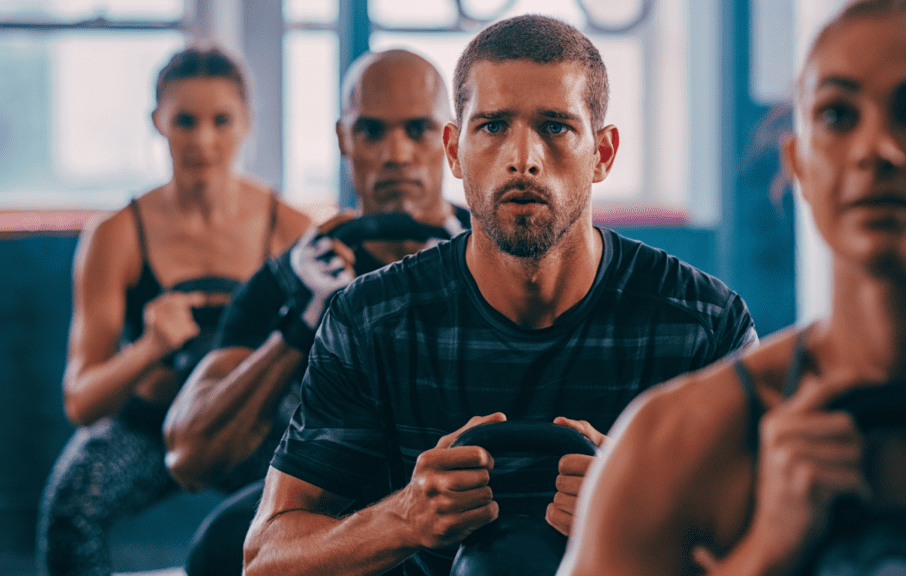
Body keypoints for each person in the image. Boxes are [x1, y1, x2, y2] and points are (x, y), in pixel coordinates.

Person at [242, 14, 759, 576]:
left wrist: (640, 511)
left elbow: (784, 542)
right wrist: (405, 519)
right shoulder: (370, 320)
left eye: (556, 126)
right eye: (491, 126)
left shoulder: (703, 323)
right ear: (455, 151)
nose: (523, 158)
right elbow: (266, 557)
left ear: (603, 154)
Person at [558, 1, 906, 575]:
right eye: (836, 115)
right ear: (800, 162)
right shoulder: (676, 442)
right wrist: (760, 557)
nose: (875, 149)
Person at [160, 48, 471, 576]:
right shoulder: (291, 279)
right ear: (344, 139)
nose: (396, 153)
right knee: (219, 549)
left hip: (469, 493)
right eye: (372, 131)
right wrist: (306, 322)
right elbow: (189, 455)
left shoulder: (501, 254)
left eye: (417, 129)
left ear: (450, 138)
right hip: (343, 504)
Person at [36, 46, 311, 576]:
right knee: (70, 513)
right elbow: (81, 401)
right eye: (185, 121)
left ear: (245, 123)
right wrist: (150, 347)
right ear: (158, 122)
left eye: (220, 121)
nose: (203, 141)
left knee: (327, 497)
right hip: (149, 423)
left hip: (247, 420)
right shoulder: (115, 236)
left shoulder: (289, 230)